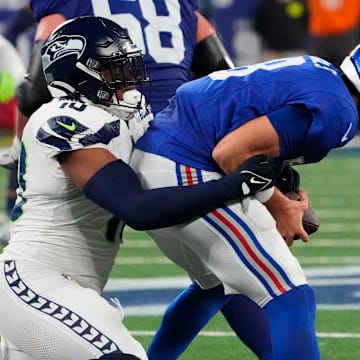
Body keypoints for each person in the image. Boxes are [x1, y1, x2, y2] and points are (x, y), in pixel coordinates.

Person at [0, 0, 278, 358]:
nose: (127, 79)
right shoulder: (63, 120)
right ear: (80, 74)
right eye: (115, 69)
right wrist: (234, 185)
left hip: (77, 291)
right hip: (33, 281)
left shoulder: (125, 114)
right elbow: (138, 209)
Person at [131, 49, 360, 359]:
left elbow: (247, 133)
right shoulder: (338, 110)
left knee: (214, 287)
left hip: (158, 158)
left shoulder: (321, 72)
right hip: (183, 166)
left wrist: (284, 189)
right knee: (291, 294)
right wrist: (278, 205)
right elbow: (231, 153)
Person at [0, 34, 26, 245]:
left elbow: (16, 82)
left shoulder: (2, 45)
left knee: (19, 149)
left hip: (13, 98)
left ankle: (11, 214)